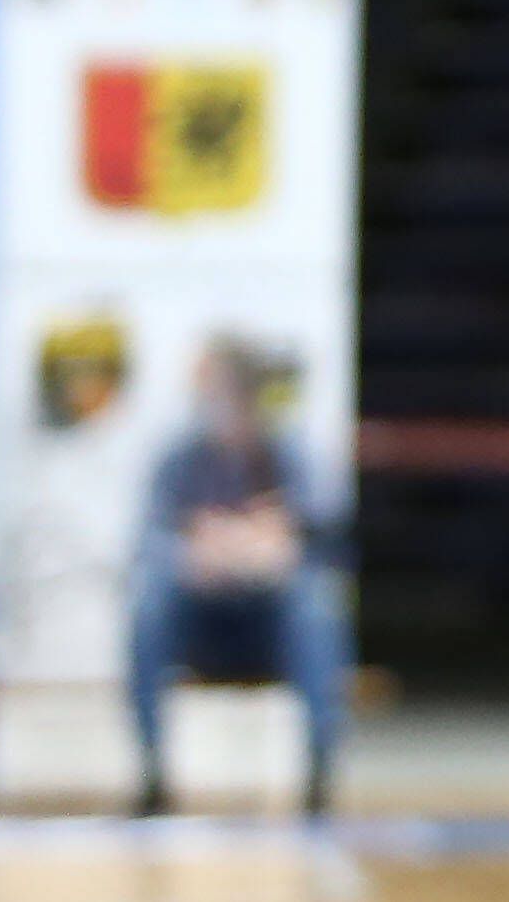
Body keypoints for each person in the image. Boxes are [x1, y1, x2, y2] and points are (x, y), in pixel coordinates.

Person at [129, 338, 347, 816]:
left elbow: (316, 540)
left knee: (314, 606)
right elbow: (153, 541)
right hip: (200, 617)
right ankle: (153, 774)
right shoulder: (179, 458)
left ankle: (319, 775)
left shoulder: (290, 456)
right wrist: (204, 551)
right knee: (150, 603)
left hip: (267, 620)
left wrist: (261, 549)